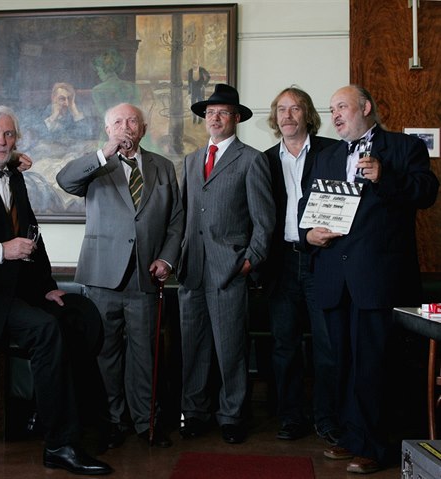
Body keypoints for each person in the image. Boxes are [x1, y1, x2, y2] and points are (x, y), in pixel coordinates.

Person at [0, 105, 113, 476]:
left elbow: (31, 236)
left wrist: (48, 288)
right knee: (45, 330)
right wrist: (0, 250)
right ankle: (59, 445)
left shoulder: (13, 176)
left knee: (80, 316)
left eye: (9, 134)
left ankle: (82, 423)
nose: (1, 140)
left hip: (15, 289)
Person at [298, 85, 439, 474]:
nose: (335, 115)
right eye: (332, 109)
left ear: (366, 107)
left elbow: (427, 193)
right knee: (342, 363)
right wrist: (308, 235)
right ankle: (352, 436)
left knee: (374, 365)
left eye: (342, 107)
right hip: (334, 277)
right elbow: (307, 207)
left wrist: (384, 176)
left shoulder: (404, 148)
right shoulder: (326, 156)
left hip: (379, 278)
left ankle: (375, 446)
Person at [56, 103, 184, 449]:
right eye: (118, 122)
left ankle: (146, 422)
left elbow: (176, 221)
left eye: (132, 121)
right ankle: (112, 421)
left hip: (146, 276)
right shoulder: (97, 165)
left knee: (145, 355)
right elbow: (64, 180)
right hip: (102, 276)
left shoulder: (162, 166)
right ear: (108, 129)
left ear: (143, 129)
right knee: (105, 354)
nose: (126, 127)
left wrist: (167, 259)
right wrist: (104, 153)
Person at [177, 84, 275, 445]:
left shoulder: (251, 159)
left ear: (236, 118)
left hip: (229, 271)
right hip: (192, 270)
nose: (214, 118)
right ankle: (195, 412)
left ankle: (233, 415)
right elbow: (183, 215)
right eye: (210, 113)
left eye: (222, 112)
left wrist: (249, 261)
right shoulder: (191, 161)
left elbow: (264, 221)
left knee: (231, 349)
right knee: (193, 348)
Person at [262, 86, 339, 444]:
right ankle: (291, 417)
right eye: (281, 109)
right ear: (275, 117)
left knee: (327, 344)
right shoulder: (264, 160)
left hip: (323, 260)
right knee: (284, 346)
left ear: (308, 114)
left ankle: (328, 418)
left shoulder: (332, 151)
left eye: (295, 108)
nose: (288, 115)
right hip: (282, 262)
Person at [187, 60, 211, 124]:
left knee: (200, 104)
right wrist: (189, 91)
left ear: (198, 64)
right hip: (193, 90)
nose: (194, 65)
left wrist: (204, 84)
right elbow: (189, 81)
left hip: (200, 89)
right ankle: (194, 118)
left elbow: (208, 76)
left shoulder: (202, 70)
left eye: (196, 63)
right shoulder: (190, 71)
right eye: (193, 63)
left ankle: (200, 118)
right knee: (193, 104)